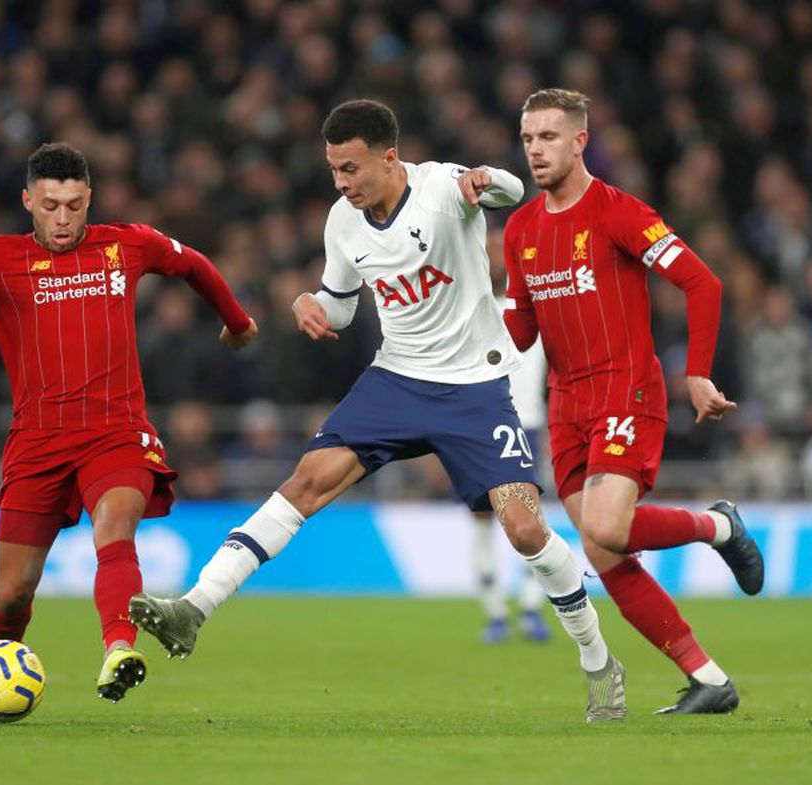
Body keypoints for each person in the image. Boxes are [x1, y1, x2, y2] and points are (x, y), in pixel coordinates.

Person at [131, 99, 626, 723]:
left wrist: (483, 179)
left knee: (524, 529)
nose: (340, 183)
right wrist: (311, 303)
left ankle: (597, 661)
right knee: (305, 481)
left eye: (350, 169)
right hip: (395, 379)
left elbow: (512, 186)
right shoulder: (343, 221)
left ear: (389, 159)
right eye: (334, 170)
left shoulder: (445, 189)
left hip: (473, 387)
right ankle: (194, 608)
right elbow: (341, 304)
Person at [0, 141, 256, 703]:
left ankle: (119, 646)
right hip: (37, 442)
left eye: (73, 204)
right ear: (27, 201)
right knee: (14, 590)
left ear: (89, 197)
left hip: (116, 431)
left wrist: (237, 323)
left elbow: (193, 264)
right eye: (50, 206)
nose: (63, 218)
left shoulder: (127, 245)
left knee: (114, 530)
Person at [501, 88, 764, 714]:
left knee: (604, 527)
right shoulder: (520, 229)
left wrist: (696, 374)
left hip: (627, 388)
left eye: (549, 137)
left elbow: (702, 281)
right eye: (529, 138)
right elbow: (521, 332)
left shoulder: (620, 213)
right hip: (565, 403)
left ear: (580, 141)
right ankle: (708, 679)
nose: (536, 150)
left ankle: (720, 525)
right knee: (601, 548)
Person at [473, 266, 549, 644]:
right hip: (483, 424)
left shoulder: (541, 308)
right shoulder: (474, 307)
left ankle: (532, 606)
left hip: (529, 423)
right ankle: (495, 613)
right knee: (483, 520)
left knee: (530, 517)